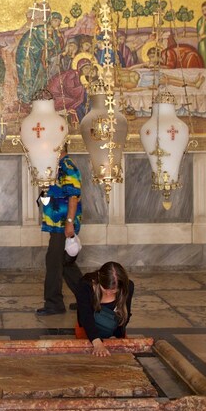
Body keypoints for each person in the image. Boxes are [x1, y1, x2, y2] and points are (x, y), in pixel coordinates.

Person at [36, 145, 82, 316]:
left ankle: (54, 303)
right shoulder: (55, 166)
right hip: (56, 223)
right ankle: (88, 297)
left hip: (63, 225)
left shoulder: (68, 167)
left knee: (54, 262)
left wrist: (69, 222)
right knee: (65, 263)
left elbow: (73, 197)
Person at [75, 262, 134, 357]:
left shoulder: (128, 286)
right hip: (88, 330)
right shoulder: (85, 285)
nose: (109, 293)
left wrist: (116, 337)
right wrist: (97, 342)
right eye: (105, 289)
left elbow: (124, 316)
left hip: (114, 331)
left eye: (114, 290)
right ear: (99, 277)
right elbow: (85, 316)